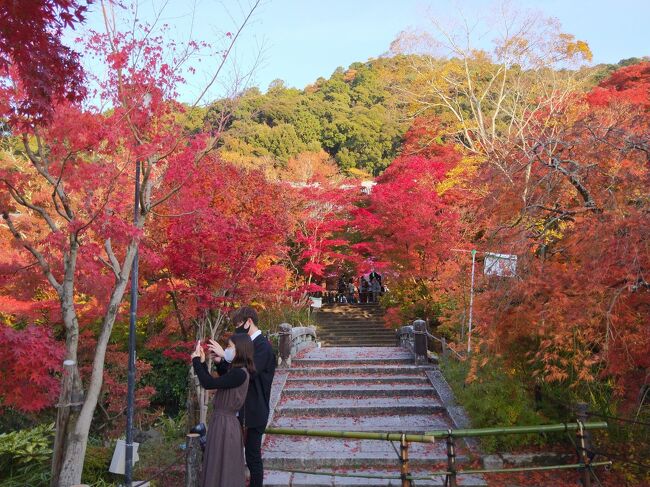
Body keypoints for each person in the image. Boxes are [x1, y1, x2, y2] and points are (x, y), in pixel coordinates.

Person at [208, 306, 275, 487]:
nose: (237, 328)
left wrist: (227, 355)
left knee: (253, 458)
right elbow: (232, 377)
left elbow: (248, 373)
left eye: (239, 324)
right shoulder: (245, 343)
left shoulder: (263, 346)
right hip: (238, 410)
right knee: (233, 455)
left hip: (255, 410)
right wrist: (221, 362)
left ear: (248, 322)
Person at [191, 333, 256, 487]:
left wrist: (196, 361)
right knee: (219, 465)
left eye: (229, 347)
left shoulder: (240, 373)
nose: (226, 349)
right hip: (223, 423)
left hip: (225, 425)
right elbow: (219, 380)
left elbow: (208, 383)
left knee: (223, 467)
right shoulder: (239, 371)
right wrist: (210, 362)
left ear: (239, 350)